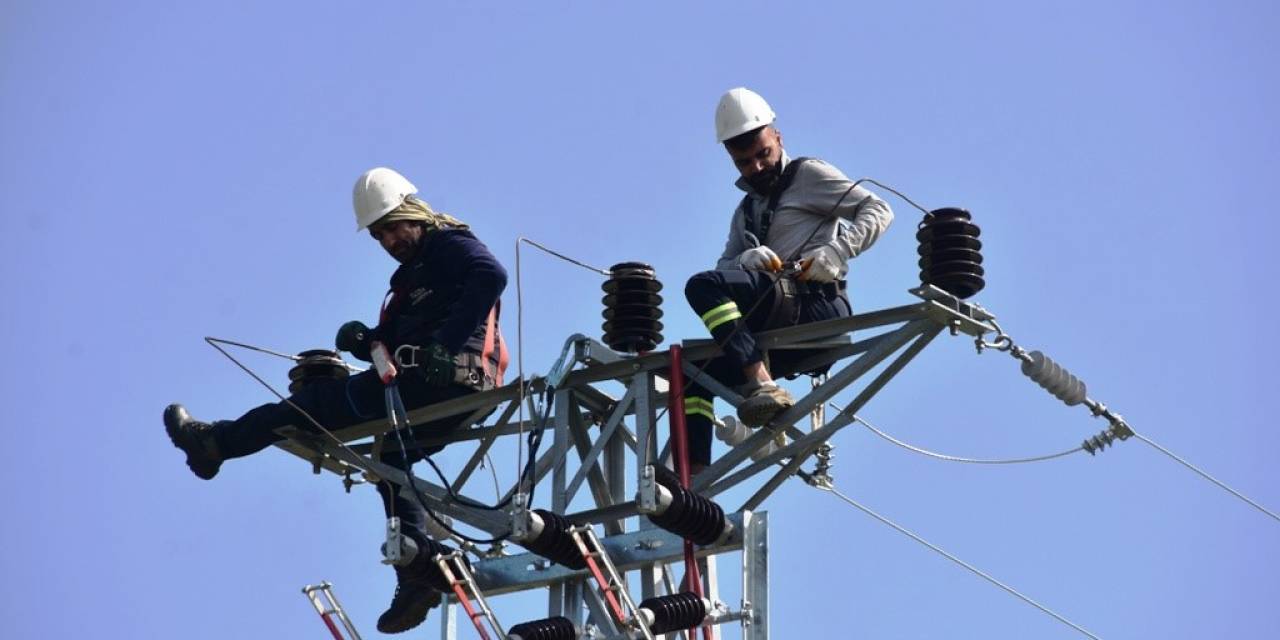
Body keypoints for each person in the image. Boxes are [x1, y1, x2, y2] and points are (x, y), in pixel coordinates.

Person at [163, 166, 509, 634]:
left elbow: (490, 275)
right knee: (392, 460)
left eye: (391, 228)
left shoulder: (448, 244)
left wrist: (444, 347)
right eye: (379, 235)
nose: (388, 241)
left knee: (314, 406)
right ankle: (417, 574)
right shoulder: (413, 276)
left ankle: (216, 443)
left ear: (412, 214)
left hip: (451, 378)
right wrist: (372, 338)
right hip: (433, 384)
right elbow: (413, 331)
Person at [682, 88, 894, 472]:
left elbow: (877, 209)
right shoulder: (745, 211)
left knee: (700, 286)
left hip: (817, 305)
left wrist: (838, 251)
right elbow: (724, 266)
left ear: (777, 138)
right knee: (692, 376)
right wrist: (744, 259)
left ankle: (759, 380)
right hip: (776, 314)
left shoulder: (808, 175)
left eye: (763, 154)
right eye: (745, 162)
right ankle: (692, 483)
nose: (757, 168)